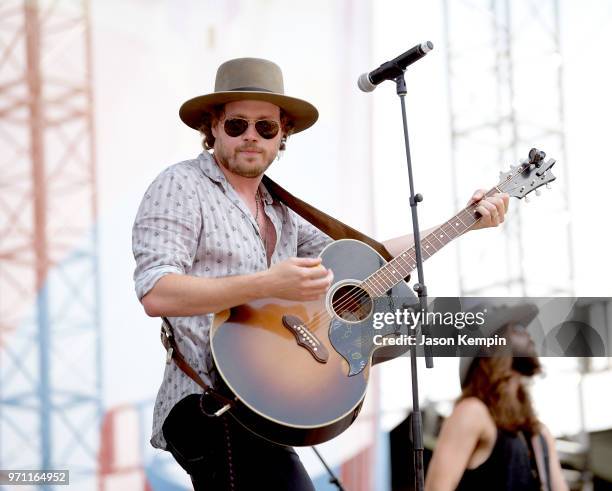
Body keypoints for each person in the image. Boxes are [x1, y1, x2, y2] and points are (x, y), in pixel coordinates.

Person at [132, 57, 510, 490]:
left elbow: (374, 258)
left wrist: (463, 222)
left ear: (282, 136)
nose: (251, 136)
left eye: (266, 128)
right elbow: (157, 292)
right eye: (237, 125)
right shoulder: (181, 185)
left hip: (264, 405)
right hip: (206, 400)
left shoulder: (283, 211)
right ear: (213, 127)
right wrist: (268, 283)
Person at [425, 303, 569, 491]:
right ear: (489, 345)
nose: (528, 334)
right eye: (516, 329)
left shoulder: (538, 435)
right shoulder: (472, 412)